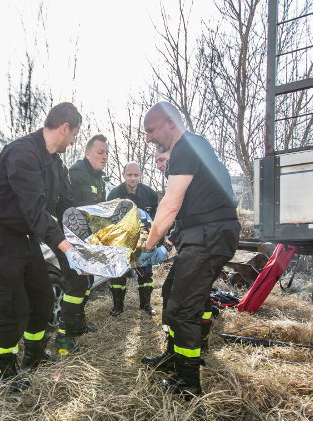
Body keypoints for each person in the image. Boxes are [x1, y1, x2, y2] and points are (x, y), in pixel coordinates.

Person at [139, 102, 241, 398]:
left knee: (182, 309)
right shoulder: (192, 147)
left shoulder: (186, 147)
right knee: (171, 293)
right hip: (206, 235)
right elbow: (183, 208)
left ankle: (188, 383)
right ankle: (174, 358)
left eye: (151, 130)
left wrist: (148, 245)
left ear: (169, 122)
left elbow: (170, 203)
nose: (149, 138)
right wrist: (166, 239)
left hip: (210, 237)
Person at [0, 103, 82, 388]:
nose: (73, 141)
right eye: (74, 134)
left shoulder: (55, 164)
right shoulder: (22, 154)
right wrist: (66, 249)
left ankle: (33, 356)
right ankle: (4, 371)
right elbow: (35, 212)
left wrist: (83, 236)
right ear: (64, 128)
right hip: (0, 234)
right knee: (15, 305)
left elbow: (63, 205)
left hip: (25, 237)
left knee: (42, 298)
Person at [59, 134, 110, 337]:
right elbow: (81, 211)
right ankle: (65, 334)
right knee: (76, 285)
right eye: (100, 152)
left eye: (107, 153)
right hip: (71, 240)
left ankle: (78, 323)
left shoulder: (99, 178)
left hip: (87, 240)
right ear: (87, 153)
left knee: (86, 283)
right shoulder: (77, 174)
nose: (105, 156)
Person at [106, 162, 160, 316]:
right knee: (118, 273)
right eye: (129, 175)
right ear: (123, 175)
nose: (133, 178)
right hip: (121, 240)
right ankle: (118, 306)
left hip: (143, 240)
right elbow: (109, 220)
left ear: (141, 175)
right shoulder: (114, 194)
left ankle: (146, 304)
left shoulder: (150, 194)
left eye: (136, 175)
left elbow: (156, 219)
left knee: (146, 273)